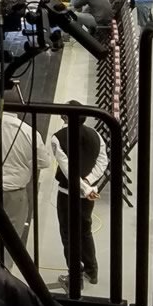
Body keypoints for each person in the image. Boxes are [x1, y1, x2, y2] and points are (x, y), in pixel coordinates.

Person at [0, 111, 53, 262]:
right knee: (8, 240)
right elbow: (44, 162)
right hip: (14, 193)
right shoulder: (28, 131)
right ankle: (2, 279)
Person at [53, 118, 108, 287]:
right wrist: (89, 183)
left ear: (64, 117)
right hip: (87, 195)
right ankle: (92, 271)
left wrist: (83, 187)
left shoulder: (58, 138)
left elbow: (67, 169)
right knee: (85, 232)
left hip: (67, 194)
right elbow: (103, 162)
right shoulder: (96, 135)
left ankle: (75, 277)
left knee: (68, 235)